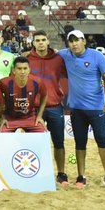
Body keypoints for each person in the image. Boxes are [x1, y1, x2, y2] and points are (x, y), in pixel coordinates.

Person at [58, 30, 105, 188]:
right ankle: (81, 176)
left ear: (84, 41)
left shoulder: (97, 56)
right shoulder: (65, 55)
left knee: (103, 142)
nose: (74, 44)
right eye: (71, 41)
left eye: (77, 40)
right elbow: (47, 52)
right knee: (80, 143)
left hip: (97, 108)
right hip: (77, 109)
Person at [27, 30, 68, 185]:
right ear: (33, 42)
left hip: (54, 106)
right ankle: (35, 173)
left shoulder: (59, 59)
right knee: (34, 142)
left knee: (59, 142)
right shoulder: (27, 59)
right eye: (37, 40)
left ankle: (61, 174)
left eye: (43, 39)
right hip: (34, 108)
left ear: (48, 41)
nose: (41, 42)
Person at [0, 56, 47, 133]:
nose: (22, 72)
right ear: (14, 70)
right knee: (2, 134)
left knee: (42, 132)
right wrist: (2, 117)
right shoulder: (4, 83)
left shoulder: (37, 82)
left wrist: (39, 116)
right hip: (10, 118)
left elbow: (45, 96)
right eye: (19, 69)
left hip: (30, 118)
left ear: (29, 70)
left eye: (25, 68)